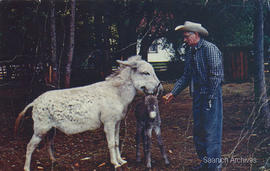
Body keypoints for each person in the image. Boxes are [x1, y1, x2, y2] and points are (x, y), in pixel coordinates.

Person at [163, 21, 224, 171]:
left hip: (211, 96)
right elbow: (186, 76)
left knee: (211, 133)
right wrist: (173, 92)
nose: (184, 40)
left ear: (196, 35)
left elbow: (216, 76)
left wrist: (209, 98)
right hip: (197, 97)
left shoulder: (210, 49)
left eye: (186, 36)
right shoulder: (191, 52)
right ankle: (205, 164)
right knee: (199, 133)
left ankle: (214, 167)